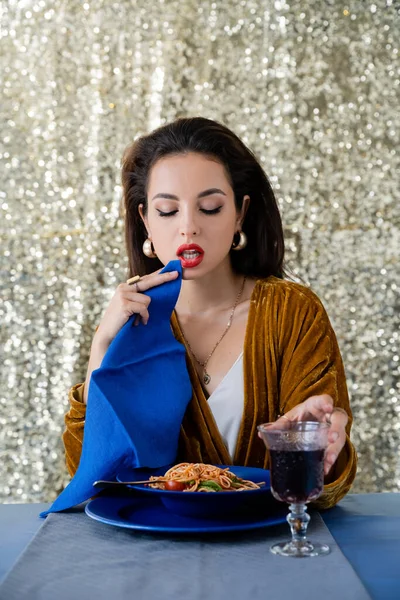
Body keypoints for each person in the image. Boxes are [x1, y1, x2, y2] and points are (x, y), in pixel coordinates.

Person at [63, 117, 357, 509]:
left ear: (240, 213)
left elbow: (323, 493)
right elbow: (93, 482)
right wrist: (102, 348)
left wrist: (316, 441)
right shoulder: (130, 325)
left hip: (269, 553)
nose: (189, 228)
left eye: (210, 207)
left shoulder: (293, 313)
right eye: (168, 211)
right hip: (155, 556)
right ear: (145, 221)